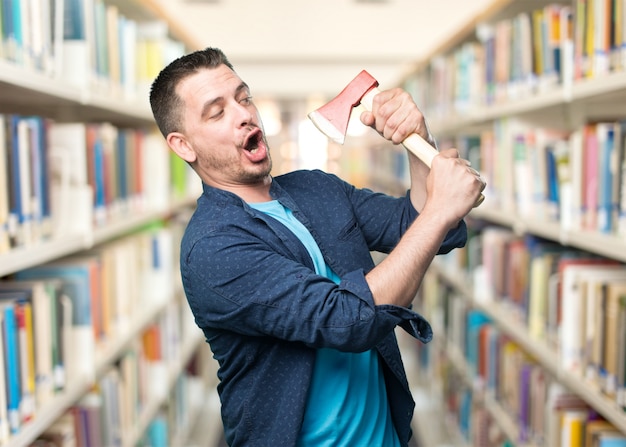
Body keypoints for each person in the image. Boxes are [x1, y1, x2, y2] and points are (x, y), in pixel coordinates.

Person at [149, 47, 484, 447]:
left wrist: (418, 140)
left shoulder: (317, 188)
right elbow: (348, 320)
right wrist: (441, 208)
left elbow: (426, 229)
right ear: (183, 146)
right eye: (217, 112)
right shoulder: (212, 249)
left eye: (243, 97)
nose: (244, 114)